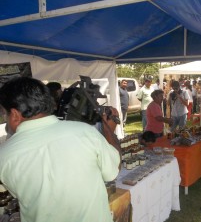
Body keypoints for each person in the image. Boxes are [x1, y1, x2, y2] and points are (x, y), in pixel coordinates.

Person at [0, 77, 121, 222]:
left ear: (14, 114)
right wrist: (109, 130)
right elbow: (112, 171)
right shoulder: (85, 132)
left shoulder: (4, 155)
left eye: (3, 113)